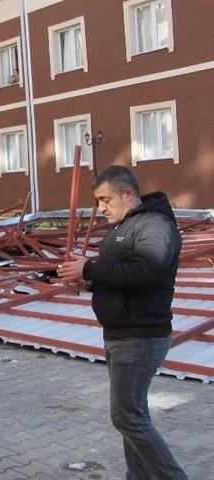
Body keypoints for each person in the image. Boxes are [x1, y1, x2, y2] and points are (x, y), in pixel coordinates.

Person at [58, 165, 187, 479]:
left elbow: (147, 273)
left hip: (140, 335)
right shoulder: (124, 227)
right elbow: (120, 276)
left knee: (127, 417)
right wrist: (89, 282)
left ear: (128, 194)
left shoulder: (155, 225)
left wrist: (89, 270)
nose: (101, 208)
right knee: (134, 414)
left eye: (105, 199)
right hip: (121, 333)